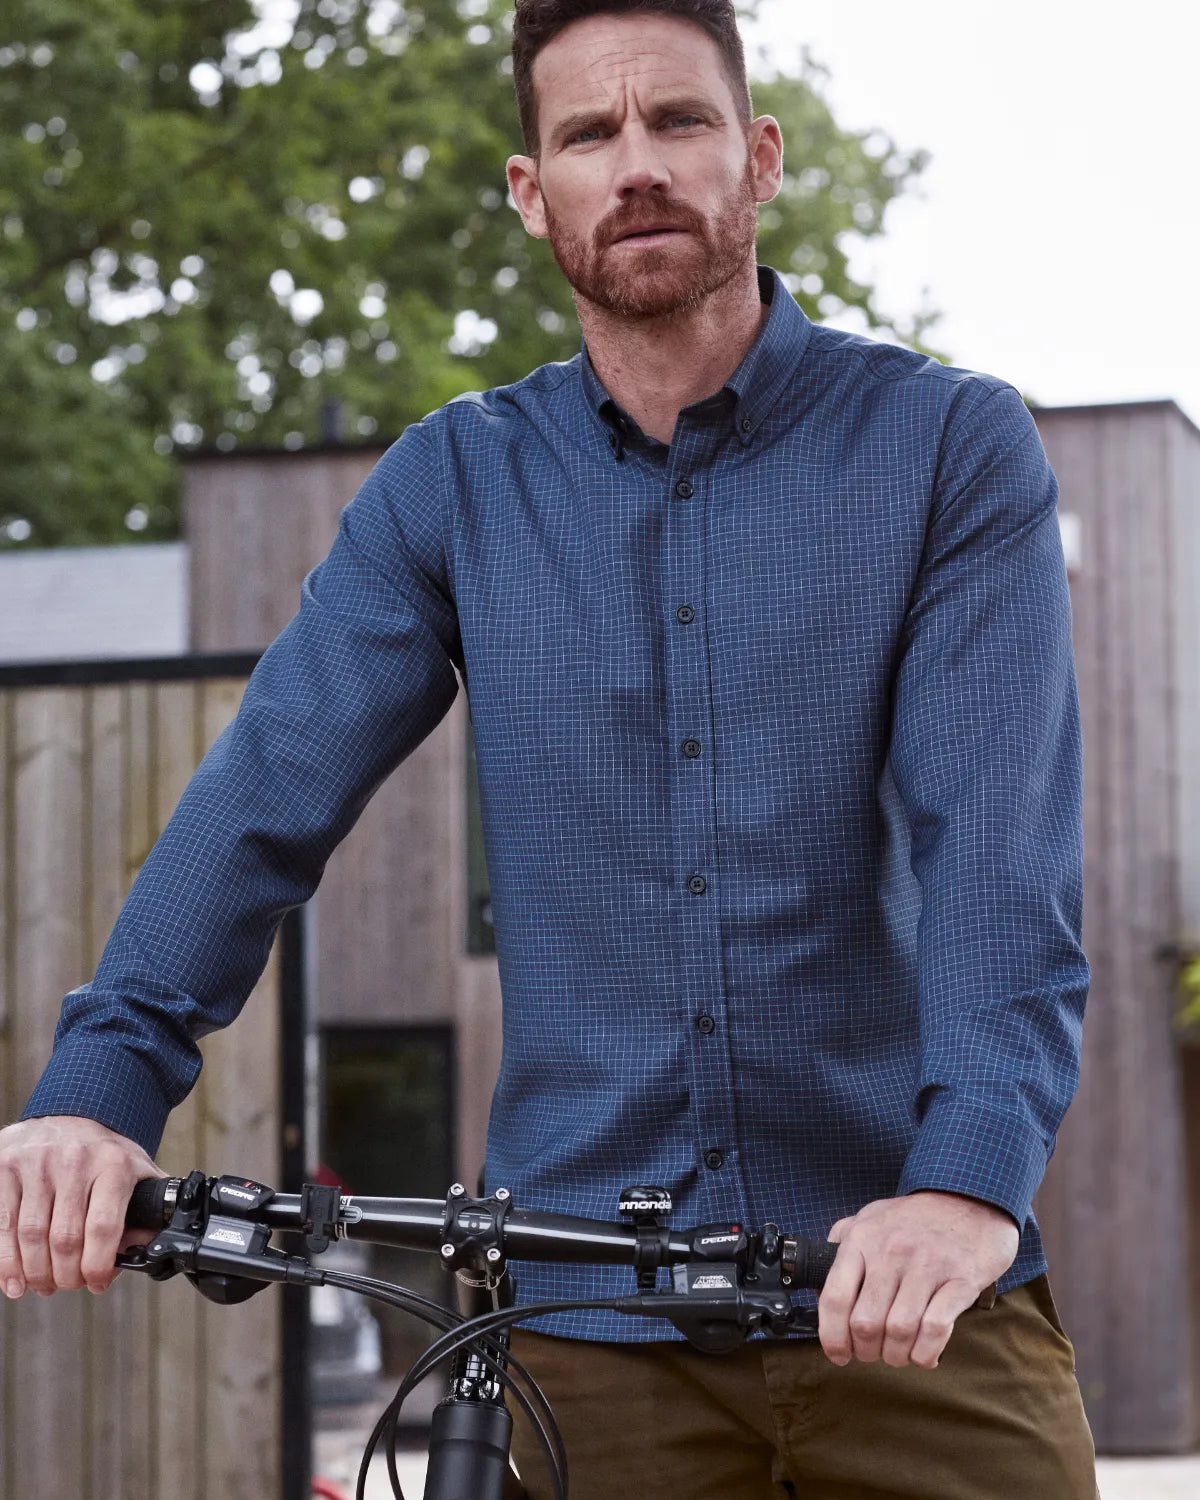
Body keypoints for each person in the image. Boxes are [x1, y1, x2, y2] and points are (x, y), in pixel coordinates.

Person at [0, 1, 1098, 1495]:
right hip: (586, 1335)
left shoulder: (948, 447)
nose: (637, 164)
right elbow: (264, 796)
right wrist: (96, 1091)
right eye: (589, 132)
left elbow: (999, 852)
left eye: (680, 120)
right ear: (532, 191)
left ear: (760, 158)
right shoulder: (454, 483)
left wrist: (965, 1184)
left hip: (912, 1295)